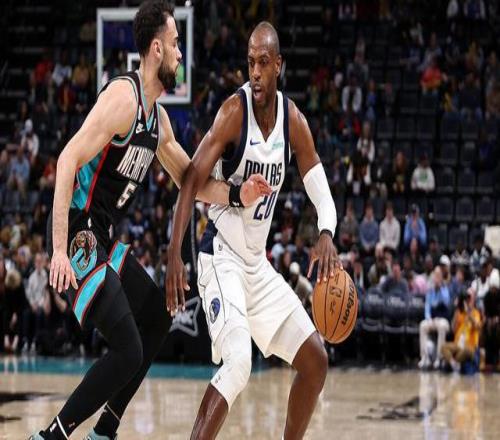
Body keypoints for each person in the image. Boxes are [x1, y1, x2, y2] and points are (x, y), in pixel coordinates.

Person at [29, 3, 268, 440]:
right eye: (175, 43)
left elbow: (191, 181)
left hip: (101, 237)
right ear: (156, 49)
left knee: (158, 315)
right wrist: (59, 249)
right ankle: (52, 436)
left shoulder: (157, 121)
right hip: (78, 233)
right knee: (128, 348)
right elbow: (66, 160)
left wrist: (238, 194)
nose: (180, 53)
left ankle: (105, 429)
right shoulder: (123, 98)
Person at [166, 22, 339, 440]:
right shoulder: (233, 112)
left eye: (264, 63)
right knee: (239, 363)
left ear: (278, 65)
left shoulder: (293, 121)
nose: (256, 73)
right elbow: (190, 180)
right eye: (250, 63)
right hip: (220, 256)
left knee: (315, 360)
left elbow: (320, 188)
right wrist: (174, 253)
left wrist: (326, 232)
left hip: (256, 267)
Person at [418, 266, 452, 370]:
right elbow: (427, 307)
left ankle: (439, 358)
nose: (436, 278)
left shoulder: (445, 289)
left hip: (443, 319)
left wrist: (440, 288)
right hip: (432, 320)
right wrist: (428, 318)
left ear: (441, 277)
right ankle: (425, 358)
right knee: (423, 325)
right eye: (435, 276)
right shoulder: (430, 290)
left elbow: (446, 302)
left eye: (438, 276)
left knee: (441, 326)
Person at [441, 289, 481, 372]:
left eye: (469, 299)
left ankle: (451, 361)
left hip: (470, 346)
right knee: (443, 347)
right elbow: (453, 329)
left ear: (473, 300)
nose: (468, 301)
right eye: (466, 299)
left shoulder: (476, 313)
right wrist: (456, 310)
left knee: (467, 351)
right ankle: (454, 364)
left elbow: (477, 326)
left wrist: (468, 313)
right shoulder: (459, 313)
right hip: (457, 345)